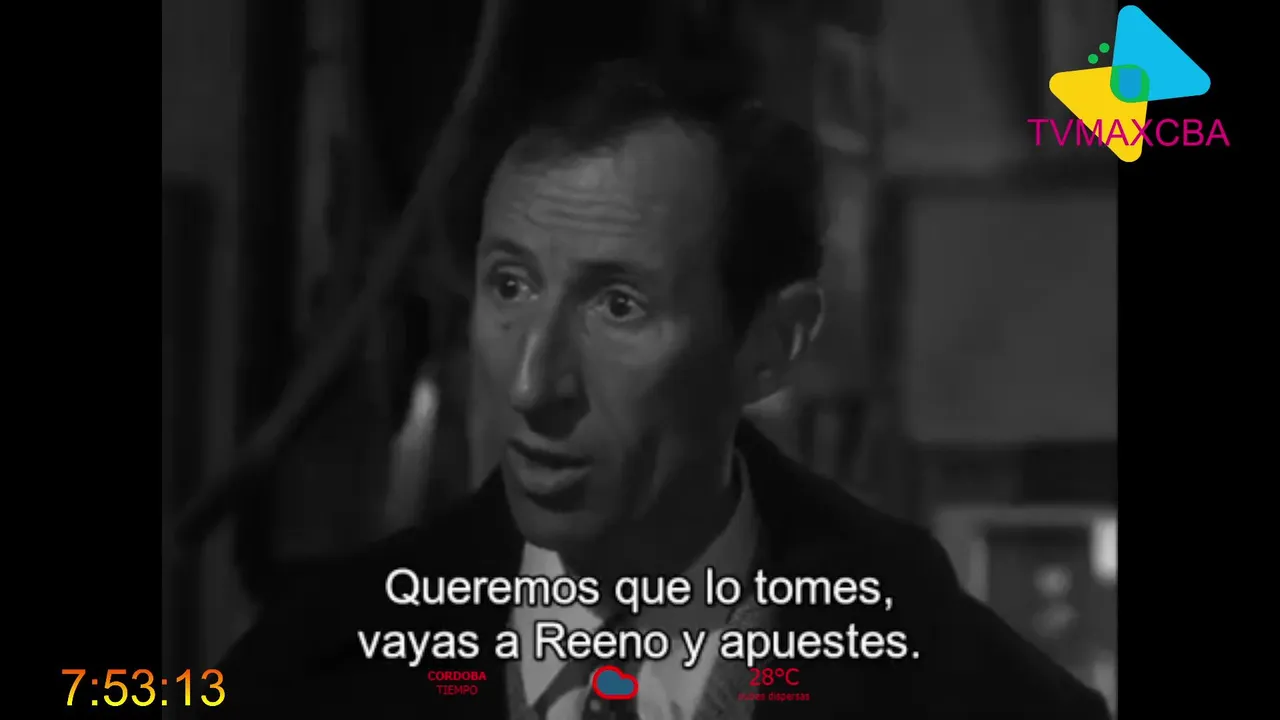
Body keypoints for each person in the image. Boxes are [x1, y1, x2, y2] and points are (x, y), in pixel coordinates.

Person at [210, 59, 1111, 719]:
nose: (532, 383)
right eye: (511, 286)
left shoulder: (948, 685)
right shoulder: (311, 669)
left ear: (771, 345)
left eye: (619, 304)